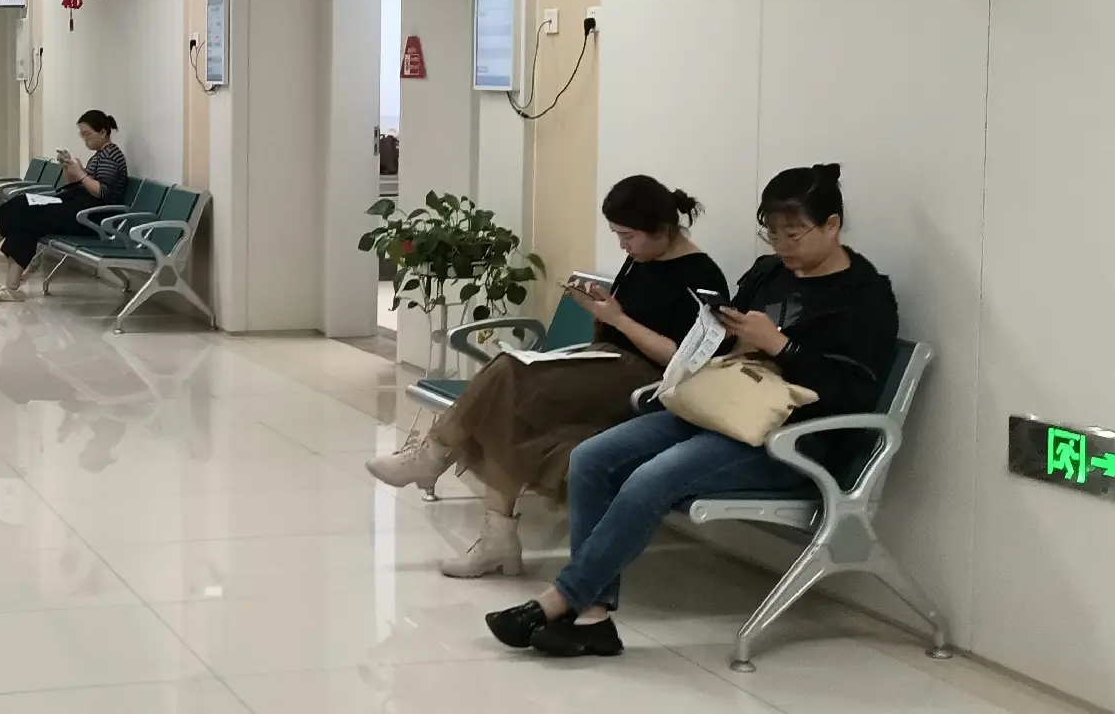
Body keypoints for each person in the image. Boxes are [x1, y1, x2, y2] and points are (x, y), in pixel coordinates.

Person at [487, 163, 898, 659]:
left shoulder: (865, 296)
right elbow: (725, 344)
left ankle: (560, 599)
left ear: (832, 225)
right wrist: (719, 331)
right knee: (591, 458)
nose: (781, 246)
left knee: (649, 478)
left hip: (789, 438)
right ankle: (592, 616)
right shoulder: (768, 273)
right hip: (722, 408)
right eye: (772, 234)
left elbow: (854, 391)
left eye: (793, 234)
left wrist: (782, 347)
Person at [366, 176, 726, 577]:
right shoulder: (642, 260)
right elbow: (621, 318)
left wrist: (617, 319)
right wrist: (599, 308)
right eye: (617, 236)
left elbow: (683, 357)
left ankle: (433, 456)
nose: (623, 246)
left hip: (645, 382)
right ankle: (496, 536)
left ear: (661, 229)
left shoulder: (701, 275)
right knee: (507, 404)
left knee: (508, 372)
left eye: (628, 236)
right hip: (605, 363)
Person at [0, 111, 130, 303]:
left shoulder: (111, 156)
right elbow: (78, 185)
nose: (85, 140)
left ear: (103, 132)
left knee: (25, 208)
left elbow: (101, 192)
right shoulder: (100, 155)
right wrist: (69, 170)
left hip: (90, 218)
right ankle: (9, 285)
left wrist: (80, 173)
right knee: (24, 213)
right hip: (78, 208)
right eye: (82, 135)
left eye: (87, 134)